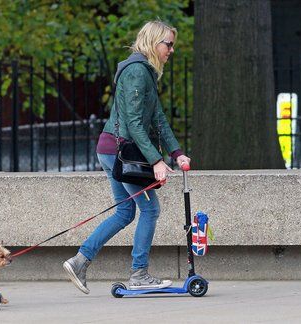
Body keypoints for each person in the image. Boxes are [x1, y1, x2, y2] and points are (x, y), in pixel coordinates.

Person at [63, 20, 191, 294]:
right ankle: (139, 274)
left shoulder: (144, 72)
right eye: (168, 44)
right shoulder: (136, 72)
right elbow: (134, 122)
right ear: (153, 42)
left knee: (124, 212)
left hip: (113, 150)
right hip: (122, 154)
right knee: (150, 209)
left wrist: (176, 152)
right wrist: (157, 160)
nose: (171, 50)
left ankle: (79, 261)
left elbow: (157, 118)